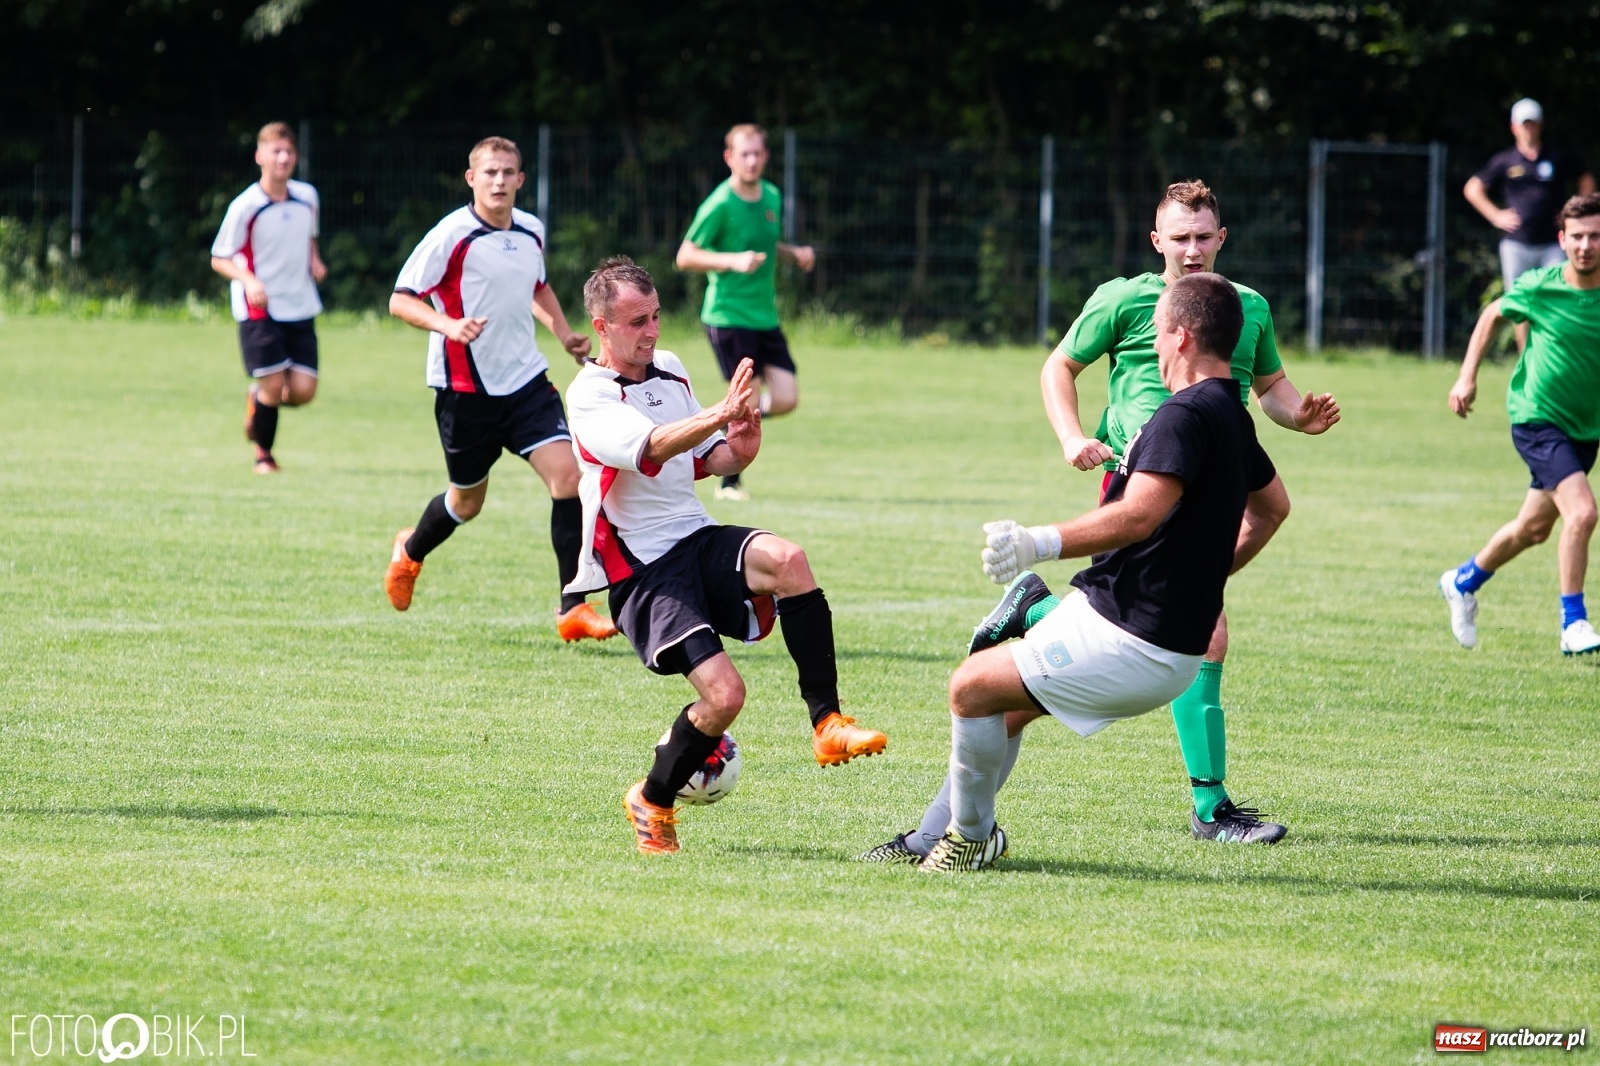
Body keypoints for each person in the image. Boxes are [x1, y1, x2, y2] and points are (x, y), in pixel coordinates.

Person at [865, 182, 1336, 862]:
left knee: (1004, 693)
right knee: (1044, 683)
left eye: (1203, 236)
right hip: (1141, 479)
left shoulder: (1237, 311)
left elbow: (1272, 393)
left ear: (1222, 239)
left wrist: (1298, 416)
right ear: (1158, 242)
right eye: (1180, 238)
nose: (1193, 249)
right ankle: (943, 832)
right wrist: (1070, 437)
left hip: (1199, 482)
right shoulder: (1127, 302)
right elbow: (1061, 368)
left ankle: (963, 819)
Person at [563, 257, 886, 855]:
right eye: (637, 322)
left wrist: (741, 448)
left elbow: (709, 457)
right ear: (601, 327)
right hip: (644, 569)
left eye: (656, 316)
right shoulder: (588, 394)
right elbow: (650, 448)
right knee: (725, 697)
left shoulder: (671, 369)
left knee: (789, 560)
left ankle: (827, 723)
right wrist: (718, 412)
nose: (652, 331)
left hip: (696, 535)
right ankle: (652, 799)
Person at [383, 136, 617, 643]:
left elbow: (537, 287)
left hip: (525, 382)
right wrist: (448, 326)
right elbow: (400, 299)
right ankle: (410, 550)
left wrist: (564, 335)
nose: (499, 181)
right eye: (489, 172)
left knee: (570, 478)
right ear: (472, 179)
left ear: (520, 179)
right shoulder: (451, 235)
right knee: (466, 503)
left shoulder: (530, 230)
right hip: (464, 390)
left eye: (508, 172)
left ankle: (572, 606)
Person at [1441, 193, 1600, 658]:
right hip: (1537, 418)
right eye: (1578, 237)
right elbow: (1493, 314)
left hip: (1585, 428)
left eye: (1595, 236)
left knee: (1534, 529)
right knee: (1582, 513)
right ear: (1562, 240)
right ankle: (1573, 623)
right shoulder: (1539, 286)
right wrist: (1467, 376)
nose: (1586, 246)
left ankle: (1463, 581)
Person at [676, 123, 815, 502]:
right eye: (744, 154)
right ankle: (729, 482)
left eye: (757, 153)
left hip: (764, 316)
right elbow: (685, 255)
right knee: (747, 398)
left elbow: (767, 245)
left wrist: (793, 254)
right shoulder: (720, 203)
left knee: (786, 398)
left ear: (765, 156)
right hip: (728, 315)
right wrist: (732, 261)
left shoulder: (771, 195)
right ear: (729, 158)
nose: (751, 161)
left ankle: (724, 424)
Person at [210, 122, 327, 474]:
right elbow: (219, 258)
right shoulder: (246, 206)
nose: (283, 158)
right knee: (274, 385)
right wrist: (248, 280)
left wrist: (315, 260)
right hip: (260, 309)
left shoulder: (307, 197)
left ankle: (258, 399)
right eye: (276, 151)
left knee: (303, 391)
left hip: (300, 303)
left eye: (289, 151)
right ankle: (264, 455)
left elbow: (309, 236)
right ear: (259, 156)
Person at [1465, 98, 1594, 352]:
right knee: (1520, 303)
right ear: (1514, 127)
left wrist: (1574, 214)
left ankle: (1555, 349)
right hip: (1517, 244)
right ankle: (1526, 353)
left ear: (1541, 125)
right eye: (1524, 124)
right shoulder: (1505, 160)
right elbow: (1473, 188)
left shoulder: (1556, 156)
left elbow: (1586, 181)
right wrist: (1495, 216)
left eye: (1533, 123)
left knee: (1559, 295)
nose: (1529, 129)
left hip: (1553, 244)